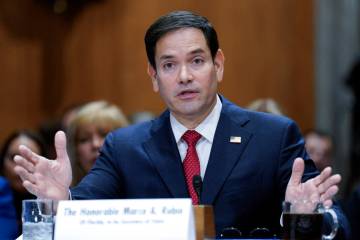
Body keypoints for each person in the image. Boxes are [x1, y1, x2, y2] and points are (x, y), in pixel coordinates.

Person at [13, 11, 349, 238]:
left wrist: (304, 217)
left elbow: (339, 224)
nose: (185, 76)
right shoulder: (125, 147)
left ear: (218, 65)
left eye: (197, 61)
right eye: (169, 65)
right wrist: (60, 202)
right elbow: (85, 215)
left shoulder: (273, 136)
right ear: (154, 77)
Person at [67, 100, 129, 185]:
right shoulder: (66, 196)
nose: (95, 144)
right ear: (76, 151)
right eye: (84, 139)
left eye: (104, 134)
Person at [0, 130, 47, 233]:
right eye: (13, 158)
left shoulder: (52, 203)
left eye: (30, 160)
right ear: (2, 161)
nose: (20, 166)